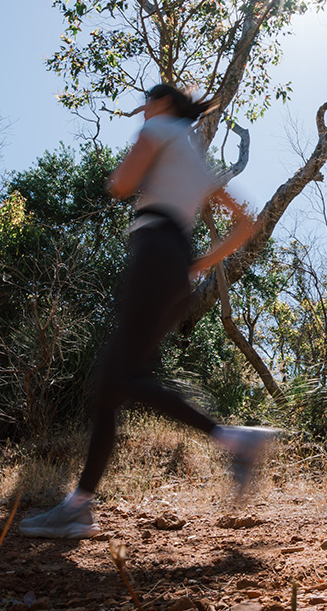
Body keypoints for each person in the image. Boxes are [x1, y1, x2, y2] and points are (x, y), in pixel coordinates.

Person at [20, 83, 279, 539]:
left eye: (146, 105)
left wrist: (132, 165)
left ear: (160, 105)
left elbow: (119, 184)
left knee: (119, 380)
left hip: (154, 250)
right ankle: (80, 504)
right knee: (113, 385)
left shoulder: (159, 128)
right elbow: (245, 224)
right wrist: (197, 264)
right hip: (175, 264)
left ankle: (234, 439)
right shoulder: (196, 156)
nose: (143, 113)